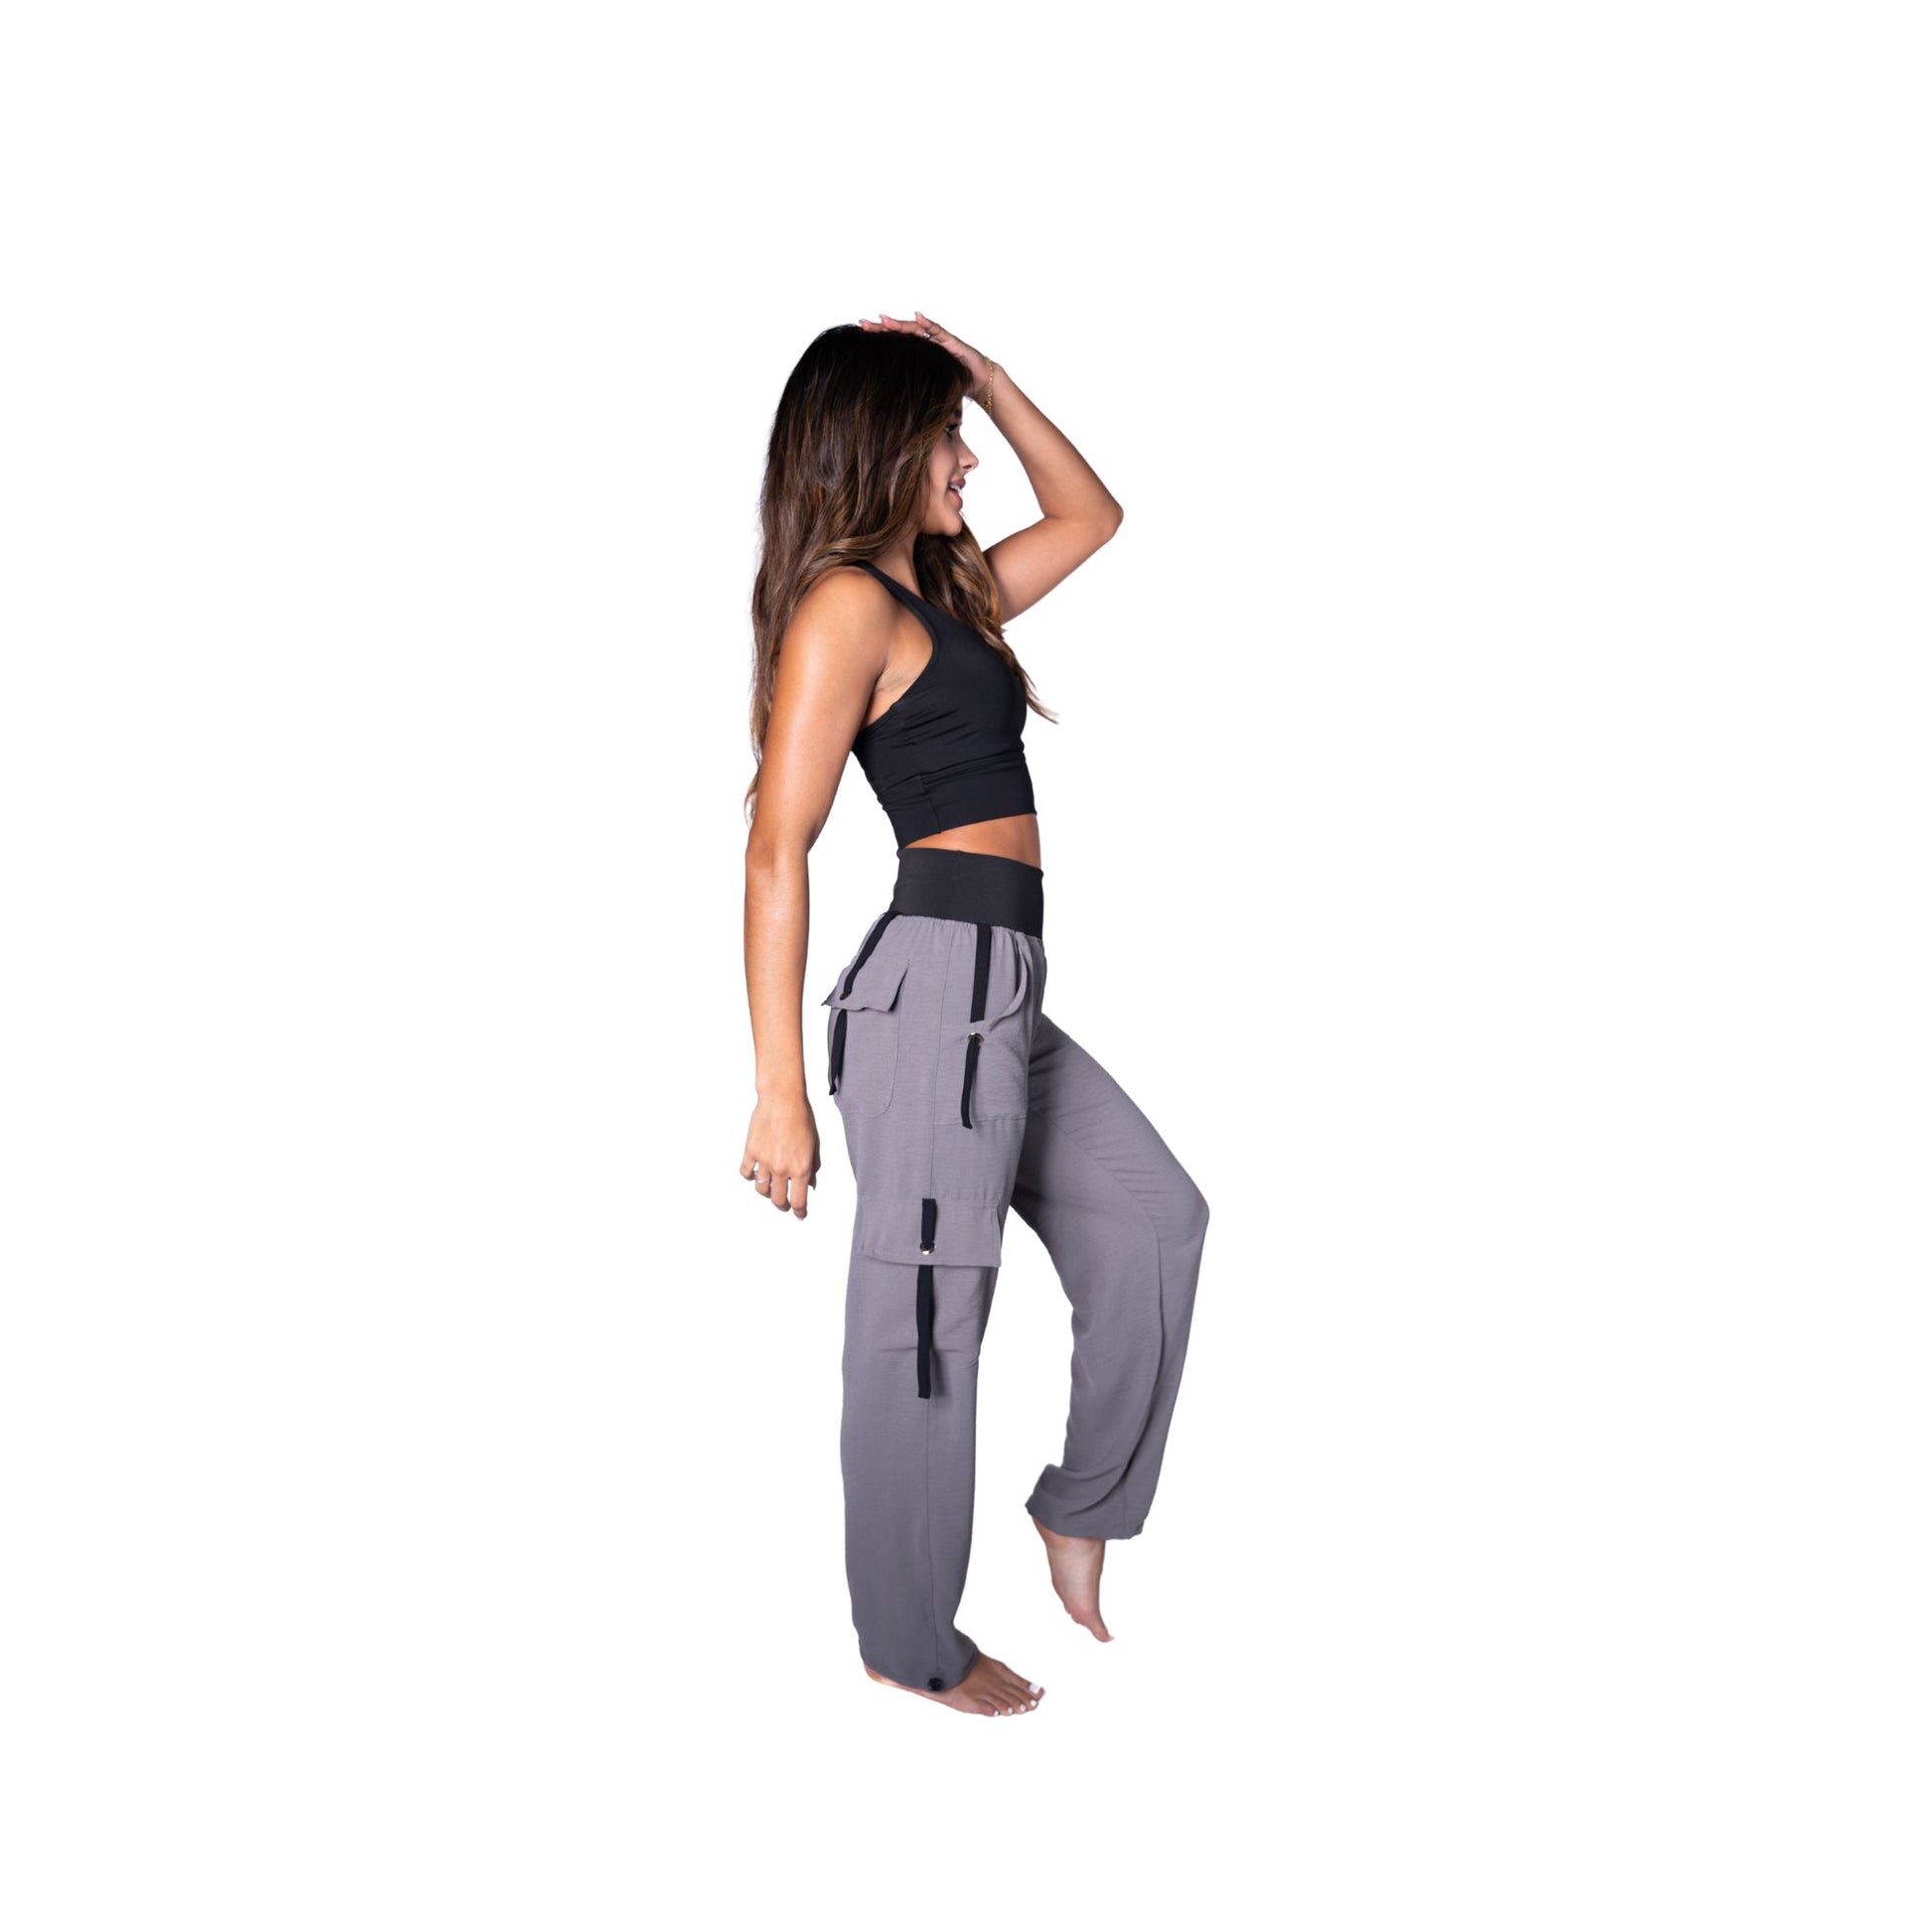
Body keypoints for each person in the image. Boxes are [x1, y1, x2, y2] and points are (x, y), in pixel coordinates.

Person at [740, 312, 1209, 1720]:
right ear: (883, 443)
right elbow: (777, 846)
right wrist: (779, 1089)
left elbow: (1092, 516)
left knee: (1155, 1219)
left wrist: (992, 380)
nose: (969, 460)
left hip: (998, 990)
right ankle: (908, 1638)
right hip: (930, 994)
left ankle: (1080, 1505)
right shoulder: (846, 607)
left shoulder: (943, 597)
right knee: (925, 1324)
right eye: (948, 435)